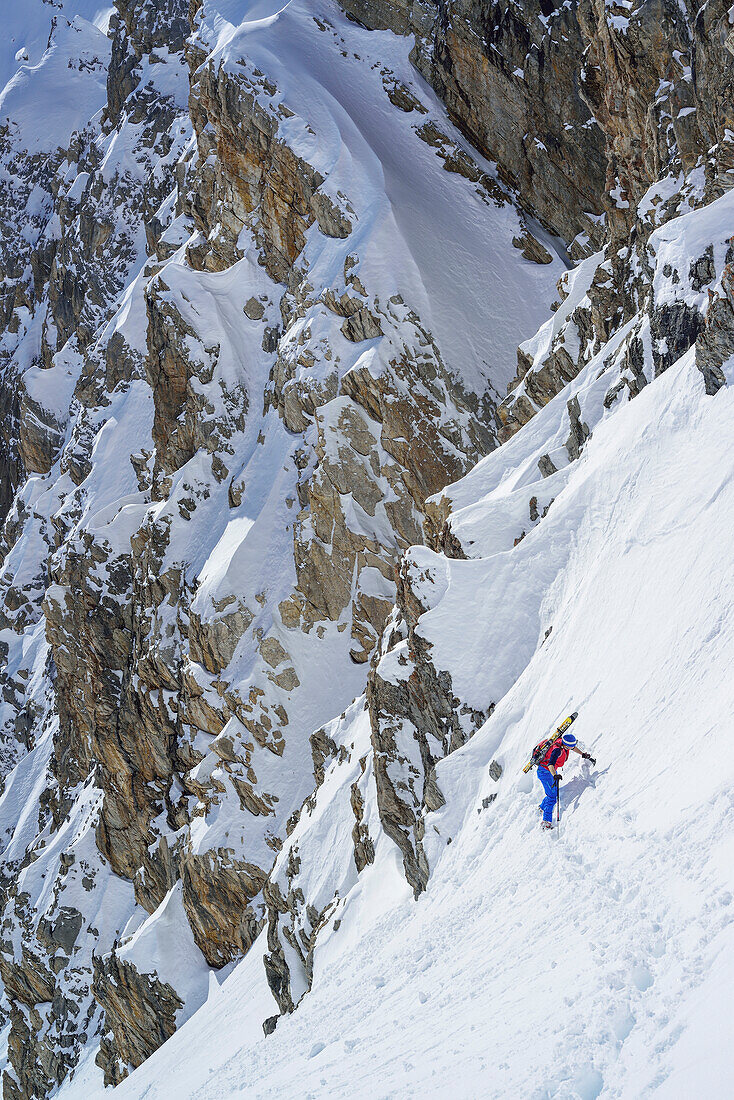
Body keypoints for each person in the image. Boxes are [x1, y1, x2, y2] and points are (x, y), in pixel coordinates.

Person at [537, 732, 595, 829]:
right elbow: (550, 764)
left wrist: (582, 754)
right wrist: (555, 775)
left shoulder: (563, 744)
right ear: (565, 745)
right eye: (570, 747)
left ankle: (542, 807)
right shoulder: (557, 750)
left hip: (550, 771)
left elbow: (572, 747)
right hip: (545, 773)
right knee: (552, 796)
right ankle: (546, 822)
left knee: (552, 792)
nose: (572, 748)